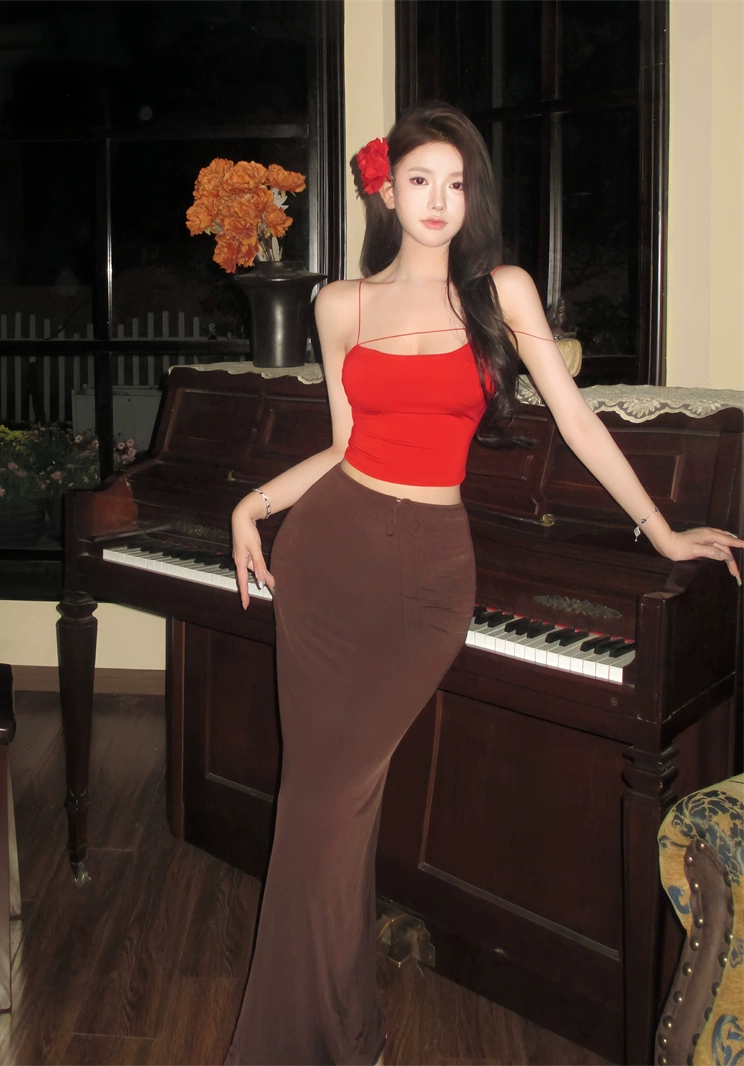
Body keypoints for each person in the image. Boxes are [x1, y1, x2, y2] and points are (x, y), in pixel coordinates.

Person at [224, 103, 743, 1066]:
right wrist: (252, 506)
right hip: (329, 560)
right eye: (421, 180)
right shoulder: (341, 306)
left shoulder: (501, 292)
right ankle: (347, 1039)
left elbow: (577, 422)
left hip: (430, 576)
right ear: (387, 191)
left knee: (323, 810)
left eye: (457, 184)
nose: (440, 200)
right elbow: (342, 447)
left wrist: (662, 528)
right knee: (324, 811)